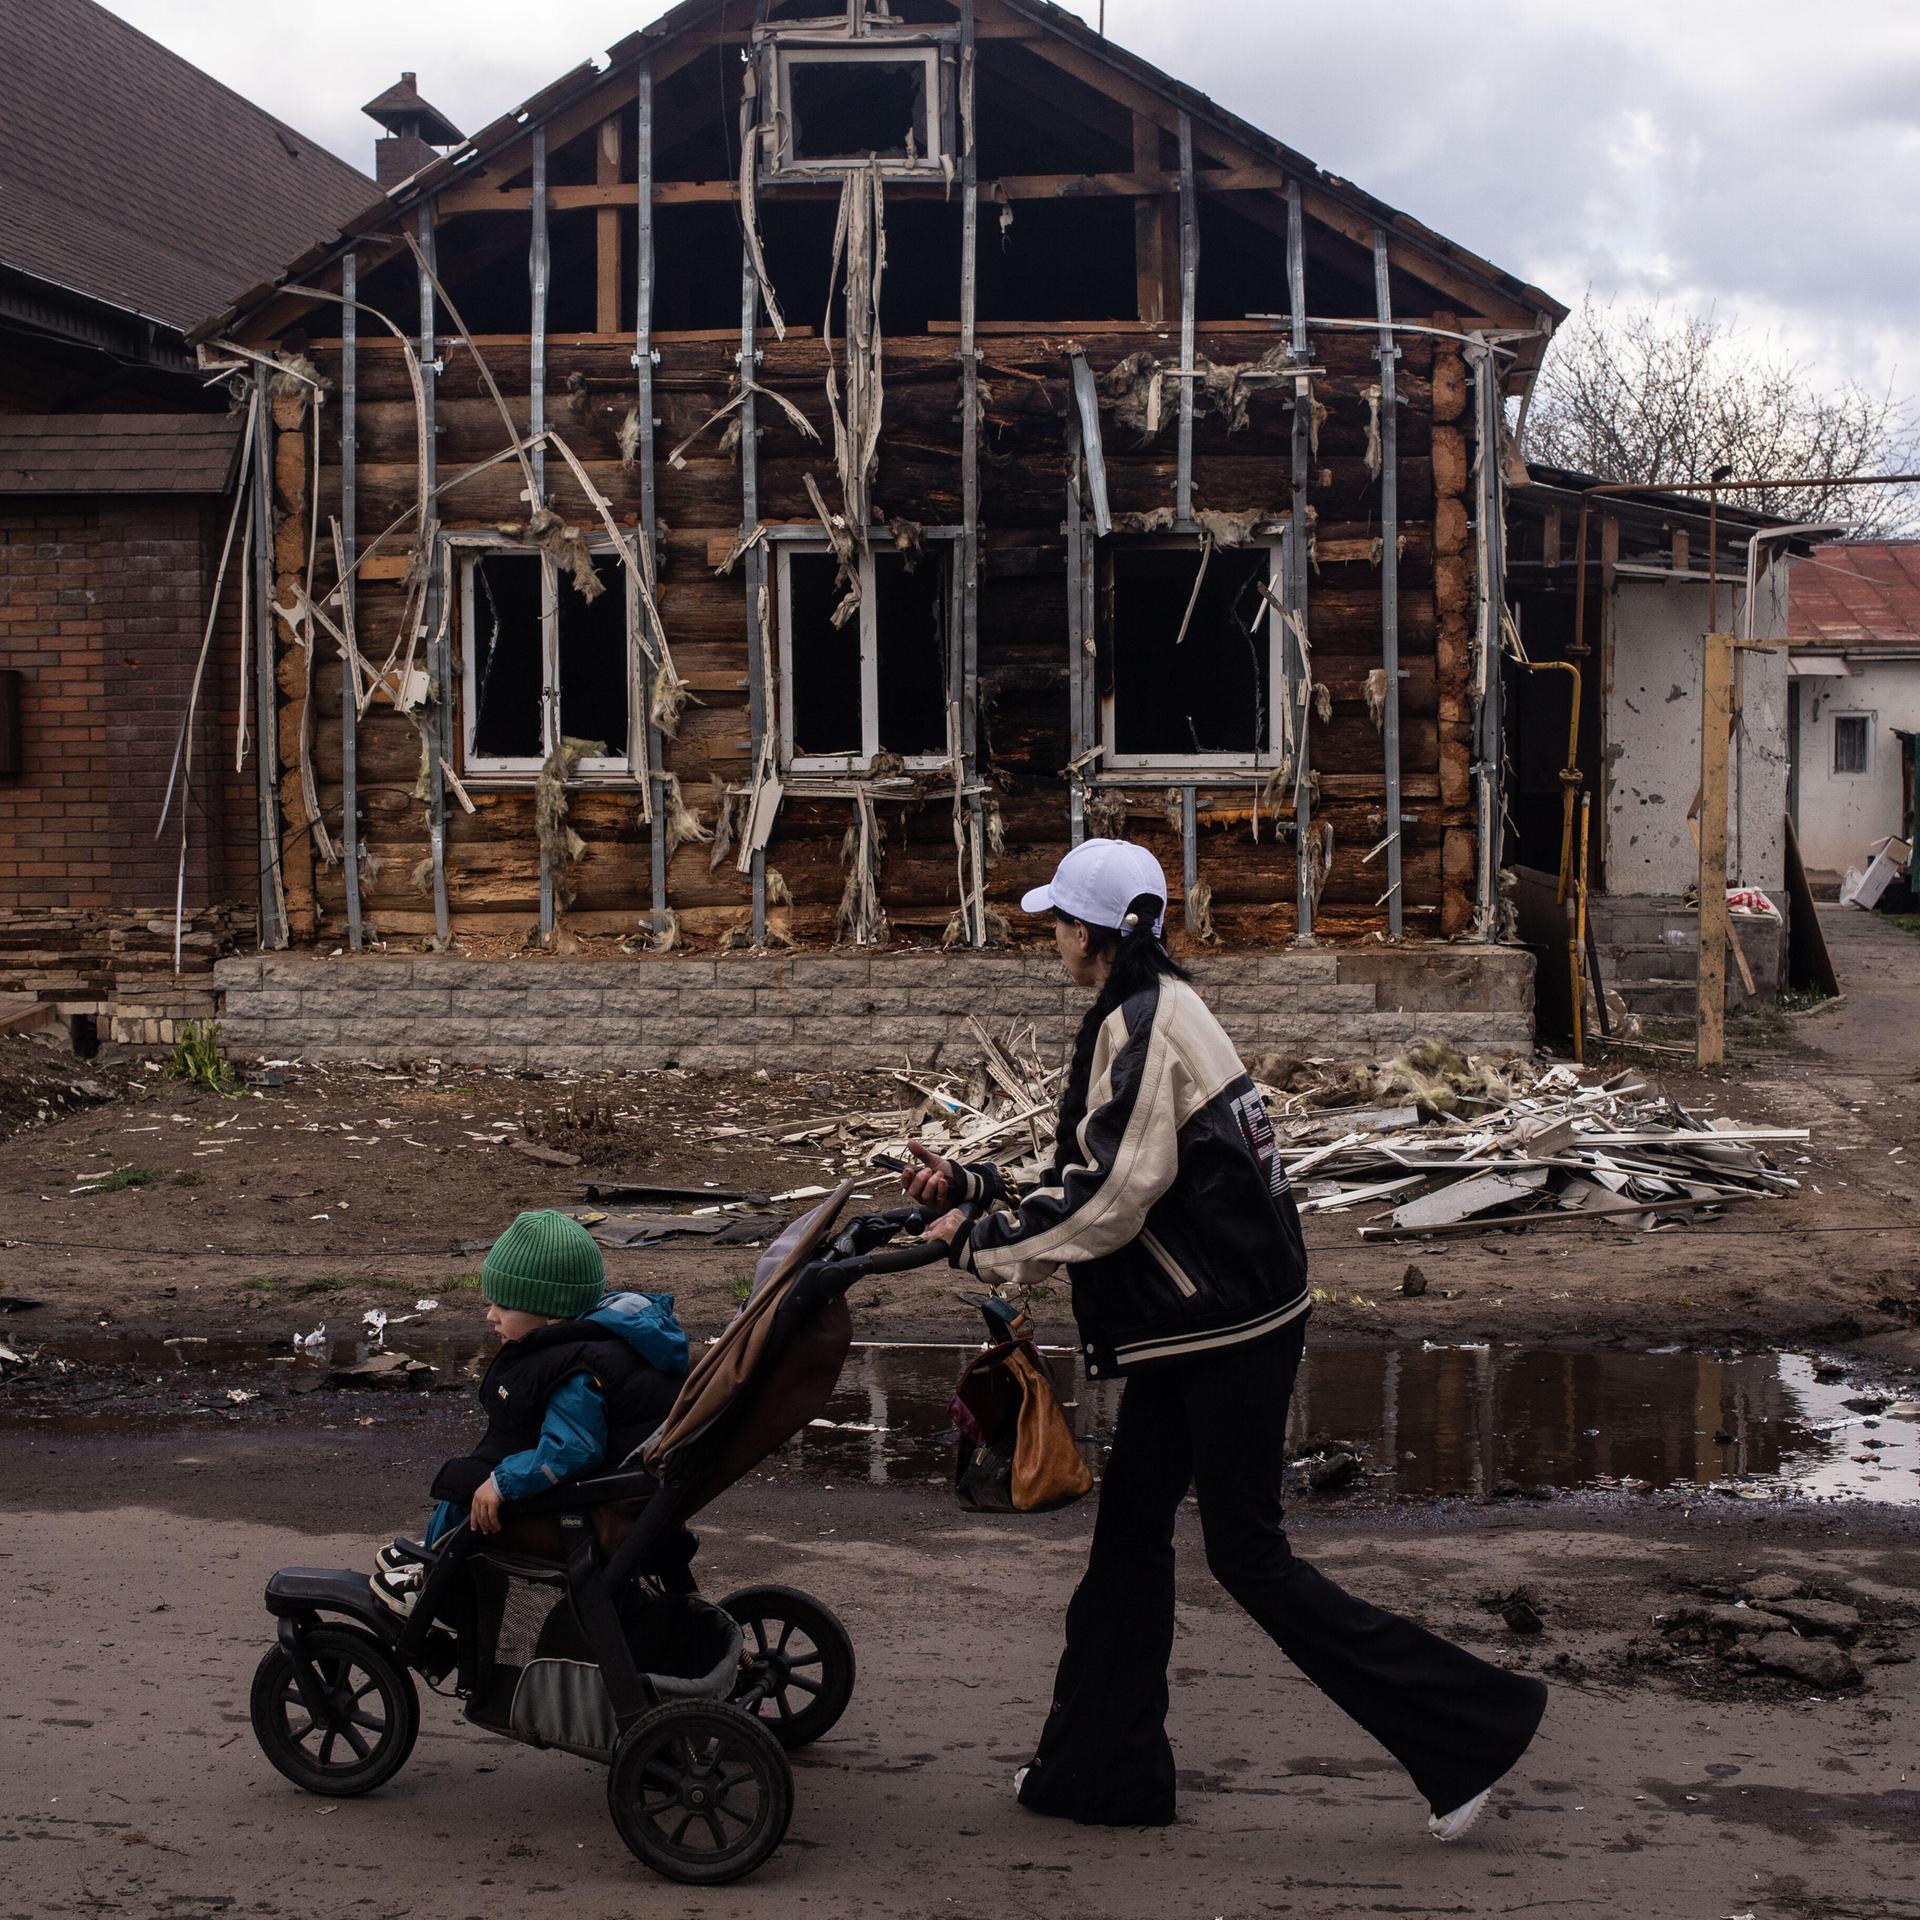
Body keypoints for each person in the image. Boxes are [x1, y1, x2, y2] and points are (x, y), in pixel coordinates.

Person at [904, 838, 1547, 1839]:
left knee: (1249, 1557)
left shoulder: (1146, 1026)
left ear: (1096, 933)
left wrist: (979, 1242)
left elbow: (1112, 1199)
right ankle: (1099, 1776)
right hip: (1201, 1321)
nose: (1051, 938)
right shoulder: (1150, 1009)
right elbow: (1100, 1159)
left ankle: (1469, 1731)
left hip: (1226, 1328)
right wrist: (977, 1184)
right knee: (1128, 1541)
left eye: (1059, 922)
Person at [369, 1208, 689, 1615]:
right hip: (615, 1490)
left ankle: (438, 1589)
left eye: (503, 1306)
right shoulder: (602, 1338)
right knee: (476, 1476)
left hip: (583, 1508)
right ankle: (434, 1551)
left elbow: (573, 1449)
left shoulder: (577, 1371)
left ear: (551, 1313)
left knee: (467, 1484)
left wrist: (503, 1482)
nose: (491, 1315)